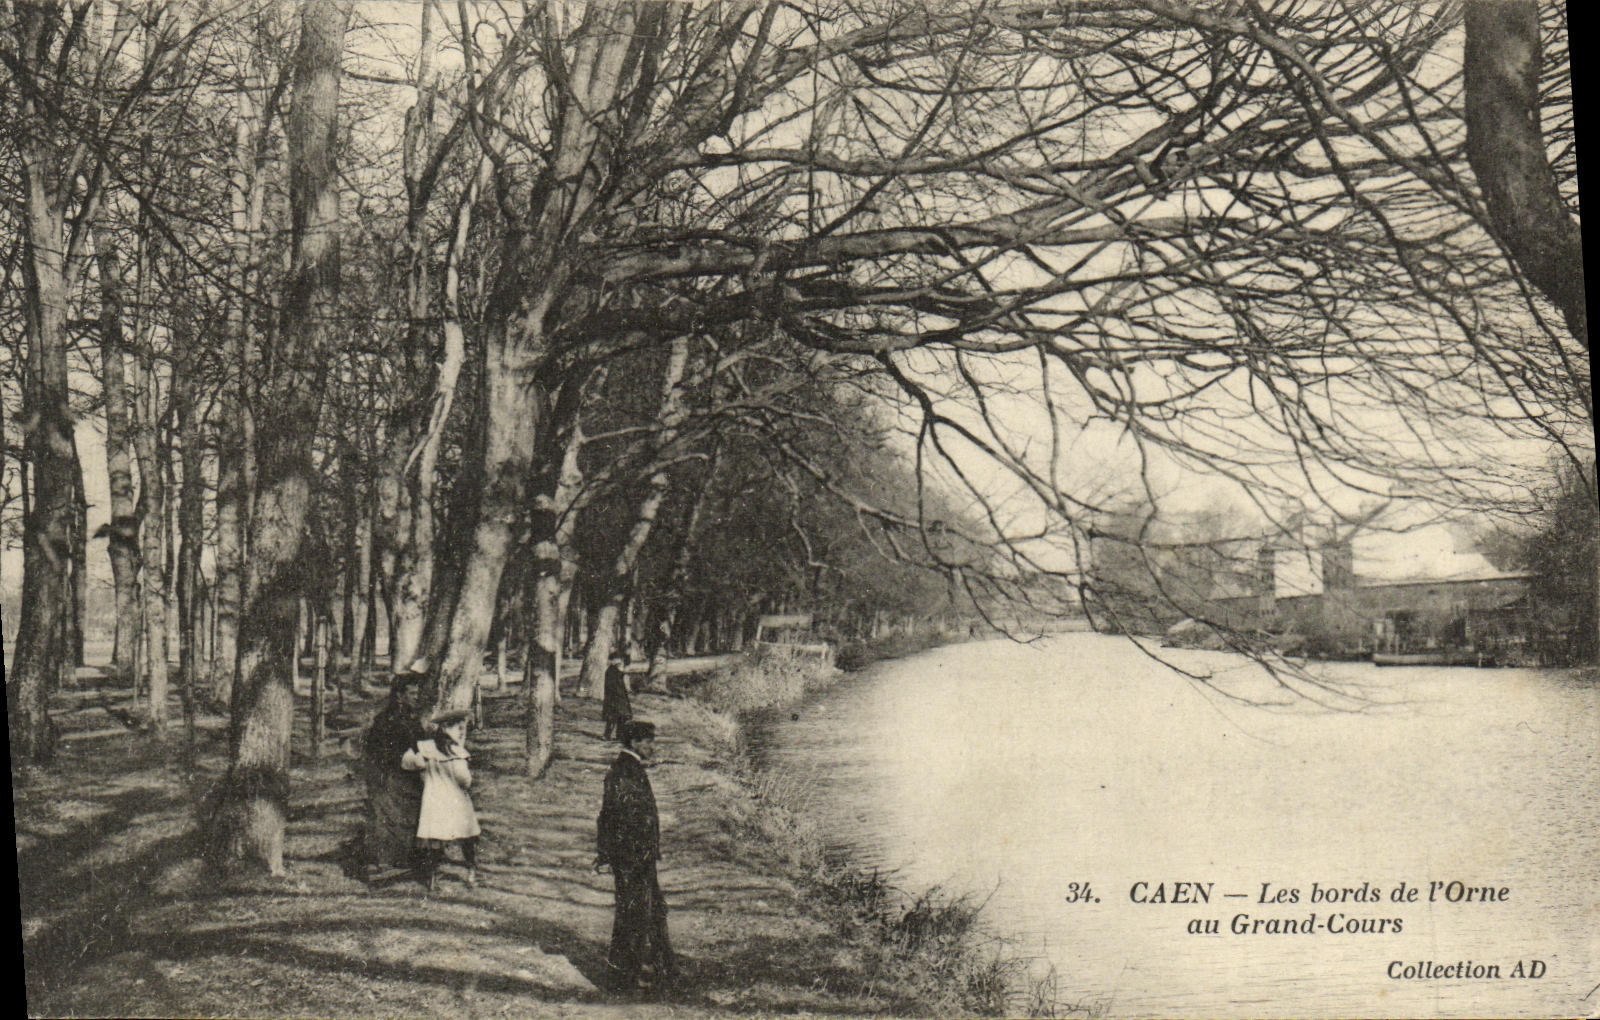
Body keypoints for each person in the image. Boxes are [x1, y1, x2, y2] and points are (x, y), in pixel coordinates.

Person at [595, 720, 676, 994]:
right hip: (634, 860)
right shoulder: (626, 772)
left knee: (648, 913)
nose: (653, 747)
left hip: (638, 858)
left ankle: (651, 974)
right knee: (634, 916)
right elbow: (619, 819)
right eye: (648, 742)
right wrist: (632, 857)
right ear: (634, 743)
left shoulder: (628, 769)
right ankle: (626, 981)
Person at [403, 708, 482, 892]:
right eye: (458, 727)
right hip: (456, 803)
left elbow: (407, 762)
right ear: (446, 727)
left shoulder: (425, 748)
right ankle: (471, 873)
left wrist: (421, 764)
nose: (461, 731)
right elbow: (465, 780)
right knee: (467, 838)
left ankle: (431, 879)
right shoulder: (456, 752)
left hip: (434, 802)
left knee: (435, 841)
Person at [360, 671, 426, 878]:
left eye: (418, 693)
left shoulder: (411, 719)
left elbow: (419, 744)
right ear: (399, 696)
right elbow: (379, 749)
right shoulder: (386, 720)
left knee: (404, 816)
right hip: (387, 775)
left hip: (405, 774)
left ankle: (398, 859)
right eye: (412, 693)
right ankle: (383, 862)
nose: (416, 697)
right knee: (387, 816)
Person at [601, 657, 632, 741]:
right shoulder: (614, 673)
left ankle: (618, 735)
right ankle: (608, 735)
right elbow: (617, 686)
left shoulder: (614, 672)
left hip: (618, 696)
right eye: (620, 663)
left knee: (620, 716)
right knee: (615, 716)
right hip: (616, 697)